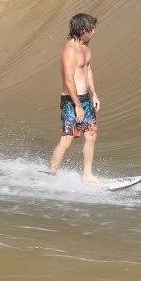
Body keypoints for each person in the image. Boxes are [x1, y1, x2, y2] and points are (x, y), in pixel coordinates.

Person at [48, 13, 103, 184]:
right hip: (71, 100)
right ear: (82, 29)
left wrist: (94, 94)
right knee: (67, 138)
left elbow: (88, 71)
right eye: (91, 29)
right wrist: (77, 106)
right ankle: (50, 175)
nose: (93, 32)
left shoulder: (85, 47)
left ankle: (87, 175)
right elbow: (68, 79)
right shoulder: (69, 50)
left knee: (91, 134)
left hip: (86, 99)